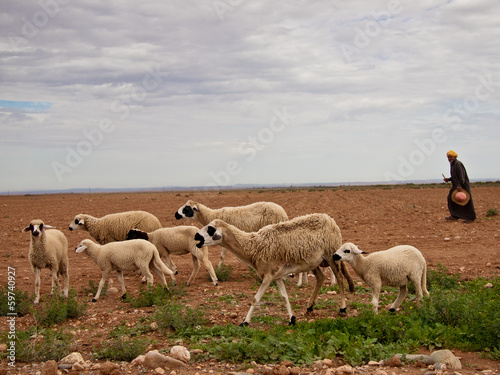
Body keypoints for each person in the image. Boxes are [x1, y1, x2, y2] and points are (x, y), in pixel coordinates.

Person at [443, 150, 476, 223]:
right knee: (451, 199)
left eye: (450, 157)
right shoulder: (452, 164)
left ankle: (471, 218)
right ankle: (455, 215)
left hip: (462, 185)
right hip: (456, 185)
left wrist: (460, 185)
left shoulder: (457, 164)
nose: (449, 158)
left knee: (466, 201)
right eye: (448, 157)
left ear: (455, 157)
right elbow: (454, 176)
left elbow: (461, 176)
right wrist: (448, 179)